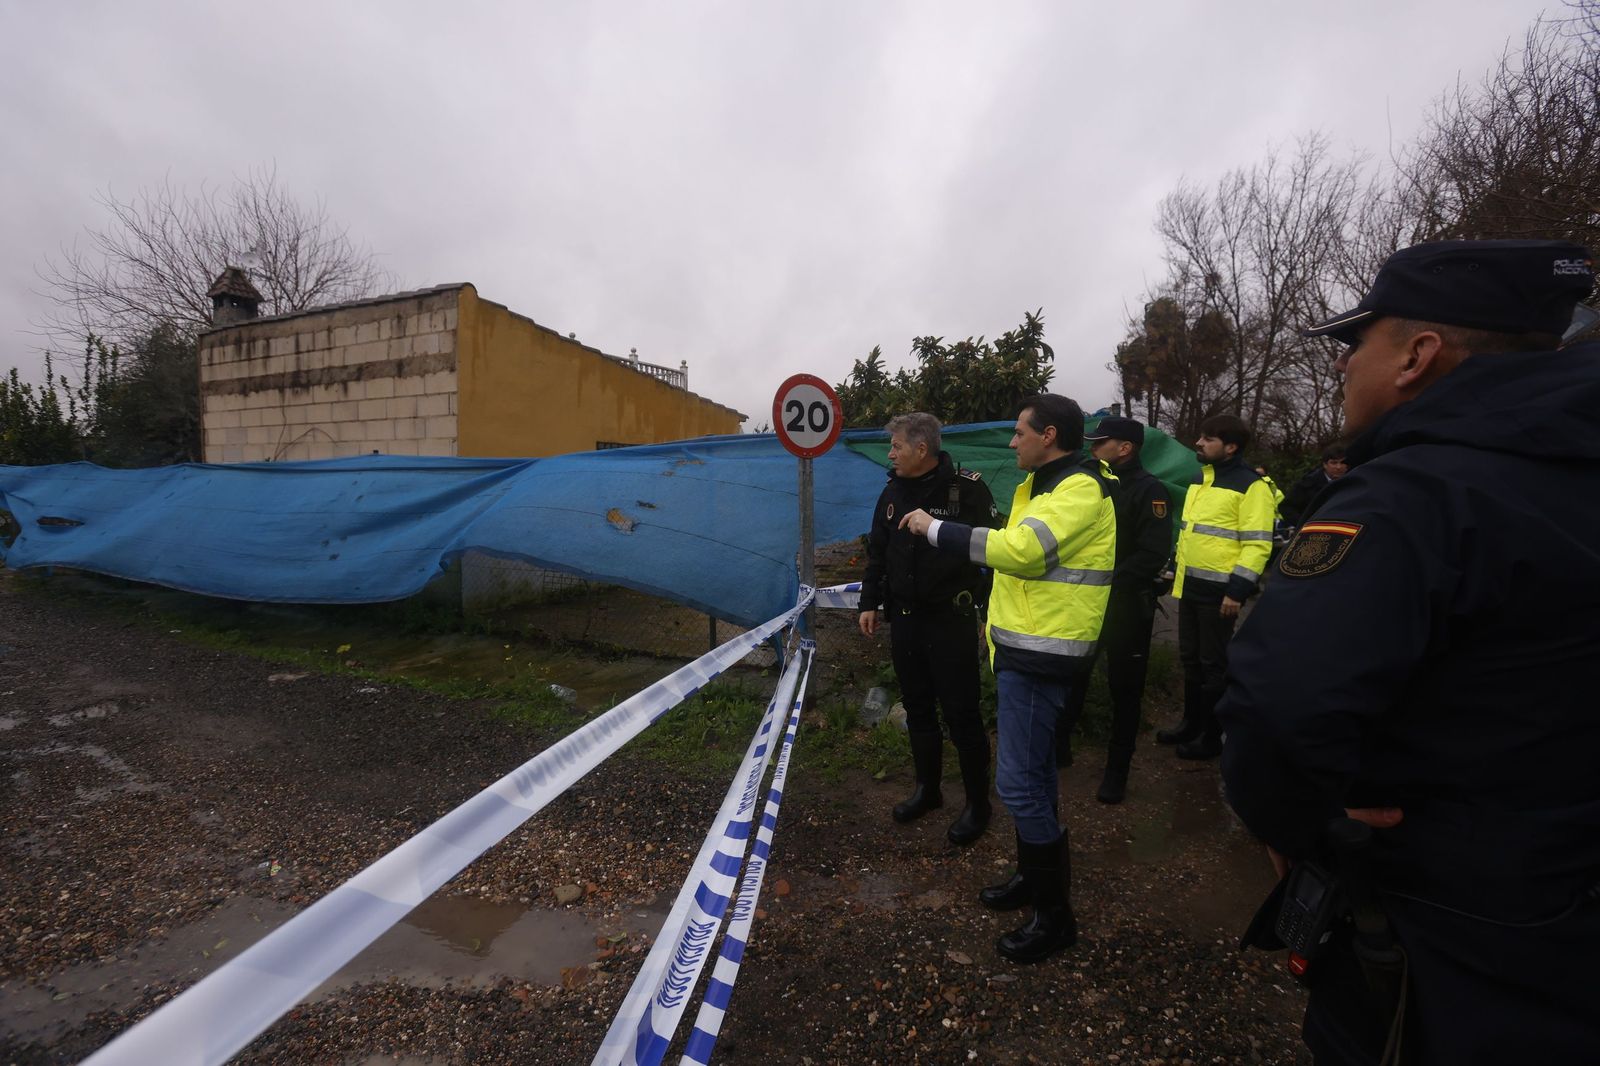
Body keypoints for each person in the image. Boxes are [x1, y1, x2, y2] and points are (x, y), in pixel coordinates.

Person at [1218, 239, 1600, 1064]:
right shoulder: (1571, 465)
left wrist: (1300, 828)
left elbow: (1278, 711)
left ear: (1417, 355)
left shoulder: (1412, 494)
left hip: (1446, 926)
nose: (1343, 364)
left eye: (1357, 342)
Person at [899, 394, 1114, 964]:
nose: (1012, 441)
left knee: (1018, 783)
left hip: (1044, 657)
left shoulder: (1078, 490)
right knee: (1036, 776)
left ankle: (1055, 917)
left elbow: (1021, 551)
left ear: (1049, 435)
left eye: (1020, 432)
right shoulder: (1039, 488)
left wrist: (935, 528)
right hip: (1025, 651)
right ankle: (1033, 879)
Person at [857, 412, 1001, 846]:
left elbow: (995, 553)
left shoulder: (967, 490)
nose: (890, 454)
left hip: (950, 620)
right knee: (918, 707)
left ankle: (978, 804)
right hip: (905, 620)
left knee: (962, 714)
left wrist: (989, 612)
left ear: (921, 449)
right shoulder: (892, 491)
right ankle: (928, 790)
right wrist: (869, 603)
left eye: (896, 446)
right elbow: (878, 552)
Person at [1055, 416, 1172, 803]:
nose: (1092, 448)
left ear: (1125, 448)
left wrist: (1106, 581)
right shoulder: (1091, 483)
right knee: (1073, 676)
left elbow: (1152, 553)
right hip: (1085, 606)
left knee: (1125, 689)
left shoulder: (1149, 490)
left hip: (1125, 607)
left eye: (1100, 442)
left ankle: (1116, 771)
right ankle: (1059, 748)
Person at [1155, 414, 1275, 760]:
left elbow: (1257, 544)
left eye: (1209, 439)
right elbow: (1190, 533)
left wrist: (1237, 590)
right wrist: (1174, 569)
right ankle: (1190, 724)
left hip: (1220, 594)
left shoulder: (1252, 486)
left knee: (1213, 665)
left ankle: (1211, 737)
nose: (1199, 442)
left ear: (1231, 447)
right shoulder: (1201, 479)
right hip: (1191, 587)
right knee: (1191, 660)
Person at [1281, 443, 1348, 527]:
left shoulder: (1354, 482)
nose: (1338, 467)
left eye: (1342, 463)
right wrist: (1304, 525)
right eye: (1334, 463)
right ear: (1325, 465)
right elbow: (1286, 507)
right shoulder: (1308, 484)